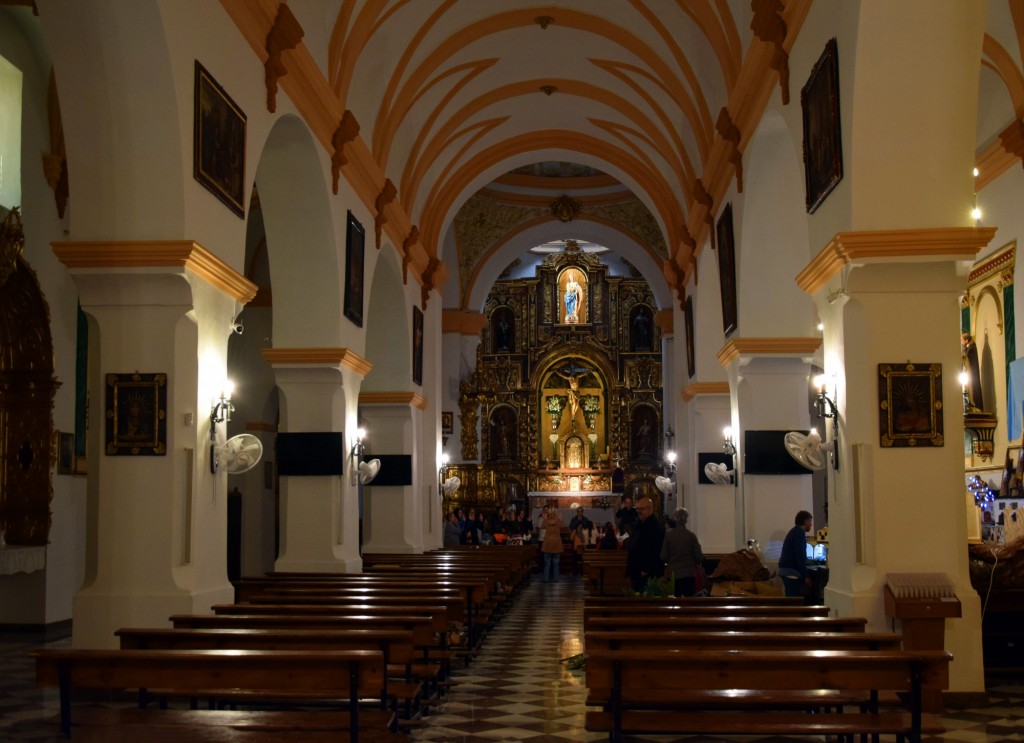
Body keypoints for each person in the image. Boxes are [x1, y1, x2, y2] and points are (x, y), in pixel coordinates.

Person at [660, 508, 704, 597]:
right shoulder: (691, 536)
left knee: (674, 603)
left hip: (673, 575)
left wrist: (671, 561)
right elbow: (699, 557)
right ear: (686, 520)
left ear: (675, 519)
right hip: (689, 574)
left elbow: (663, 556)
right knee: (689, 604)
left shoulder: (669, 536)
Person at [626, 497, 665, 592]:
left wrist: (646, 569)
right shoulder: (639, 524)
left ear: (650, 509)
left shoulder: (656, 527)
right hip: (636, 570)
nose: (639, 511)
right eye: (637, 509)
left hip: (648, 572)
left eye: (641, 509)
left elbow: (655, 549)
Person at [778, 510, 813, 599]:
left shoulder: (794, 531)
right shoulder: (799, 534)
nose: (811, 524)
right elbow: (799, 555)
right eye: (810, 521)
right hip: (791, 572)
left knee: (791, 599)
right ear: (805, 521)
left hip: (786, 570)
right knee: (794, 601)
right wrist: (806, 576)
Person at [539, 505, 564, 582]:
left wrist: (544, 517)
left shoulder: (546, 520)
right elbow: (562, 526)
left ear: (549, 513)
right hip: (556, 543)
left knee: (547, 563)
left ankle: (546, 579)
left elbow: (542, 527)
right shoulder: (558, 520)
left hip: (547, 543)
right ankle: (556, 579)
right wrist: (560, 519)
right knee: (556, 564)